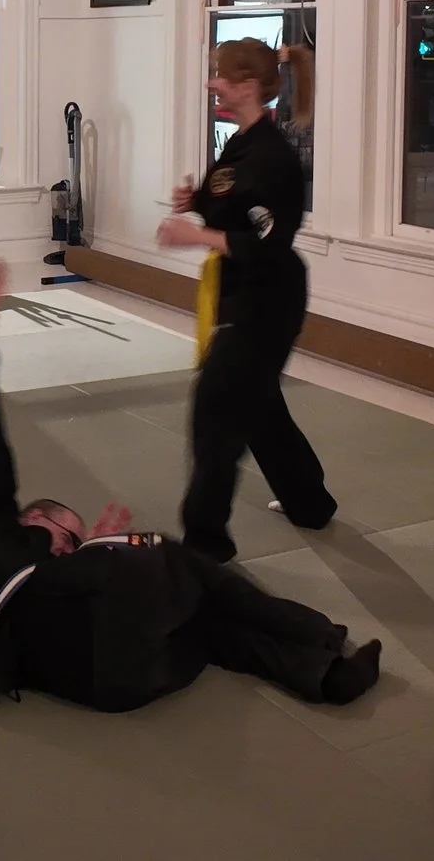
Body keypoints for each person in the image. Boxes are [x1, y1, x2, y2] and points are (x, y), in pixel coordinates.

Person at [0, 260, 379, 711]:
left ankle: (329, 678)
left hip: (117, 687)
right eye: (70, 537)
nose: (68, 547)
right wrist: (104, 550)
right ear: (33, 517)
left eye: (73, 544)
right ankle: (318, 631)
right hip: (115, 654)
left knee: (209, 629)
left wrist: (93, 552)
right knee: (182, 562)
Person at [154, 39, 334, 563]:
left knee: (216, 415)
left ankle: (205, 549)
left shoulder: (273, 157)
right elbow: (229, 202)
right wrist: (198, 202)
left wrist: (198, 237)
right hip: (239, 292)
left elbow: (269, 240)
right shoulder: (240, 144)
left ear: (247, 87)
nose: (213, 84)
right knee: (257, 407)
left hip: (268, 300)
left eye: (220, 78)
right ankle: (310, 501)